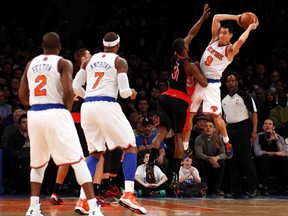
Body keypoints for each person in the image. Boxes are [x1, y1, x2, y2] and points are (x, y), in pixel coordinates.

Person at [18, 32, 102, 216]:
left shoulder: (31, 64)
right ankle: (94, 207)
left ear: (42, 45)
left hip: (35, 113)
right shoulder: (63, 63)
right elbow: (68, 91)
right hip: (56, 111)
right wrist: (64, 109)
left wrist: (35, 104)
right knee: (78, 160)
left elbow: (22, 95)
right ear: (60, 47)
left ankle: (33, 207)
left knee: (38, 163)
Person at [73, 31, 146, 214]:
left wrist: (89, 97)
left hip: (87, 107)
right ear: (118, 46)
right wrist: (132, 92)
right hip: (106, 104)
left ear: (103, 45)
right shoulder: (119, 61)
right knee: (130, 146)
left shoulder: (87, 61)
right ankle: (128, 193)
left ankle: (83, 199)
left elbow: (75, 87)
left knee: (94, 153)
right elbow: (123, 92)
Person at [147, 3, 210, 191]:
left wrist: (202, 19)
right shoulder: (188, 64)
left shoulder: (174, 56)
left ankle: (149, 165)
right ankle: (175, 175)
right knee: (178, 137)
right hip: (180, 99)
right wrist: (197, 66)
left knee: (160, 133)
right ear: (184, 47)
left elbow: (191, 34)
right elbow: (204, 82)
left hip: (165, 96)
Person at [186, 11, 259, 160]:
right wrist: (237, 17)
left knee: (216, 117)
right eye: (220, 32)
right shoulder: (213, 40)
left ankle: (226, 141)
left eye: (225, 33)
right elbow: (216, 17)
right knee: (190, 114)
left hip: (212, 85)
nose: (221, 35)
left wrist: (249, 28)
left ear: (230, 35)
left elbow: (240, 41)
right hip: (199, 80)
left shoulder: (229, 50)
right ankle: (186, 146)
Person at [50, 48, 91, 205]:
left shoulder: (68, 80)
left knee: (66, 160)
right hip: (80, 122)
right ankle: (87, 195)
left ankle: (55, 192)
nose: (91, 58)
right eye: (88, 56)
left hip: (65, 122)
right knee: (90, 158)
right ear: (82, 60)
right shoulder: (84, 80)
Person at [222, 75, 259, 198]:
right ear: (226, 84)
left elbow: (253, 113)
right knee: (232, 160)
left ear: (237, 83)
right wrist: (221, 134)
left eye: (233, 81)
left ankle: (254, 188)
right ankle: (236, 189)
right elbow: (224, 119)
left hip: (244, 128)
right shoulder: (224, 99)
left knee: (246, 159)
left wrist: (254, 131)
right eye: (228, 81)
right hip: (230, 130)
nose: (230, 83)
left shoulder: (245, 95)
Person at [253, 118, 288, 196]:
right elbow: (258, 152)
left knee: (285, 159)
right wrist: (275, 153)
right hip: (262, 160)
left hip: (276, 160)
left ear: (273, 127)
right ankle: (265, 187)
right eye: (266, 124)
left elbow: (284, 152)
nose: (268, 126)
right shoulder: (258, 136)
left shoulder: (279, 137)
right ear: (263, 126)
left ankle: (284, 186)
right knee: (265, 157)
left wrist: (276, 140)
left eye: (270, 124)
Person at [194, 121, 226, 195]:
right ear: (203, 129)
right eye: (206, 126)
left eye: (210, 126)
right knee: (199, 161)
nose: (208, 128)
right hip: (205, 160)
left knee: (222, 163)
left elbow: (224, 154)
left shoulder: (219, 138)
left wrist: (216, 158)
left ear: (214, 129)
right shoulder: (199, 138)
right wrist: (210, 159)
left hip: (216, 161)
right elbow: (198, 154)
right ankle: (203, 188)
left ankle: (217, 188)